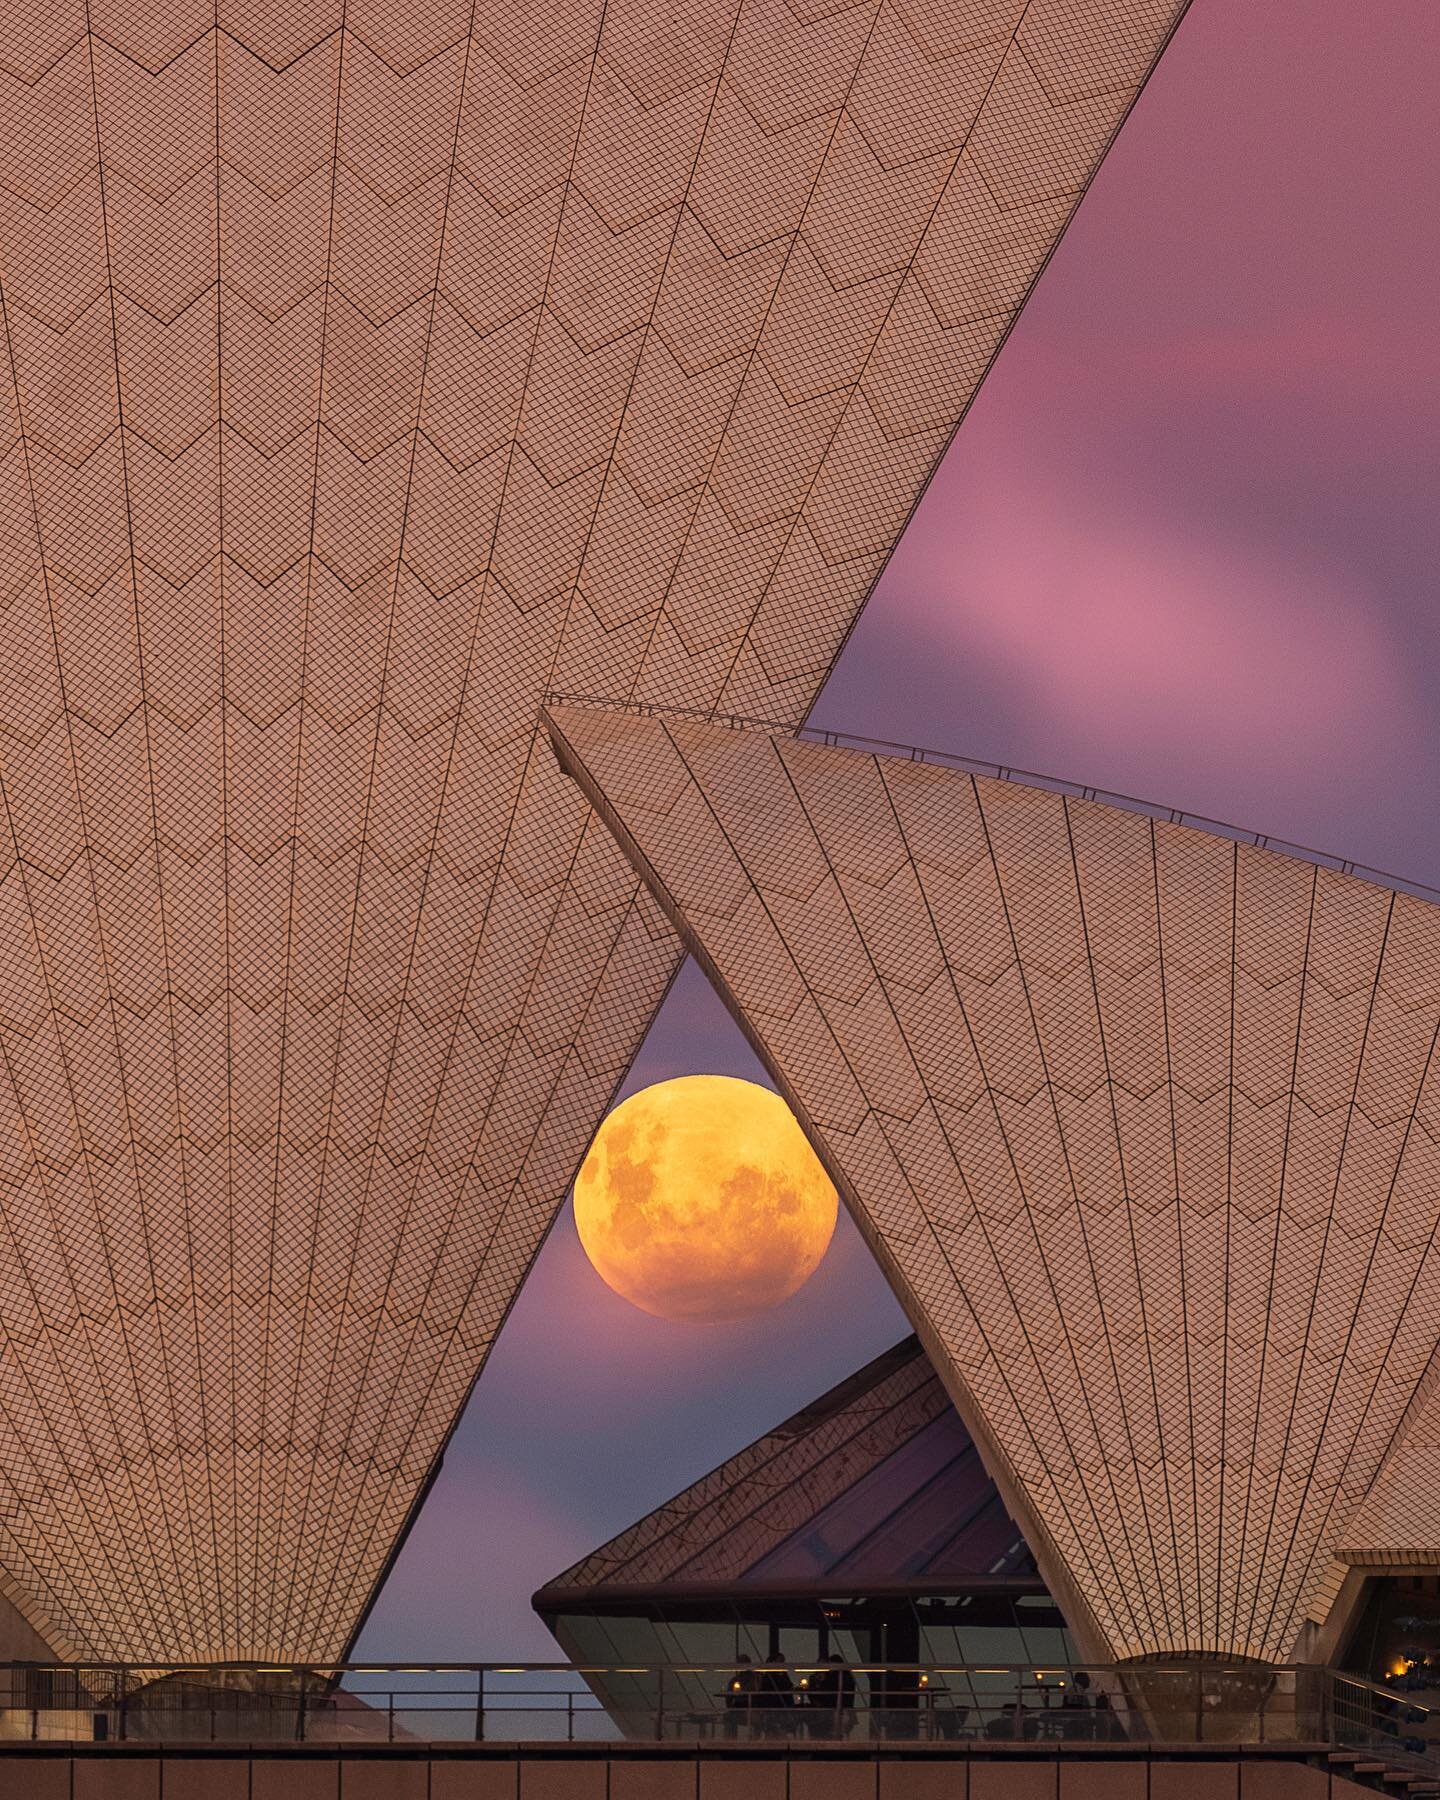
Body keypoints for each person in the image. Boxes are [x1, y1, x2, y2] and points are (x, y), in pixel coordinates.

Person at [805, 1654, 856, 1740]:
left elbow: (826, 1692)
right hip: (841, 1708)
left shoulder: (833, 1677)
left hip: (834, 1708)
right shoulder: (845, 1676)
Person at [755, 1652, 796, 1738]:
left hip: (783, 1704)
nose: (783, 1664)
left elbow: (789, 1685)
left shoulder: (783, 1674)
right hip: (774, 1704)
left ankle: (779, 1734)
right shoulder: (769, 1676)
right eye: (780, 1661)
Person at [723, 1653, 758, 1738]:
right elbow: (729, 1695)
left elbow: (751, 1690)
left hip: (752, 1707)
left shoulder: (755, 1678)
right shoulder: (736, 1679)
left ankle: (731, 1740)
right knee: (729, 1717)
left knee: (729, 1717)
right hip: (740, 1707)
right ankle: (730, 1740)